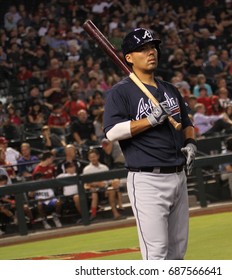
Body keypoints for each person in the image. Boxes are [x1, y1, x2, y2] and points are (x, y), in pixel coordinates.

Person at [103, 28, 197, 260]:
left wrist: (191, 142)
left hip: (178, 175)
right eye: (142, 49)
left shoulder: (169, 89)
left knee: (177, 253)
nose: (150, 52)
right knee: (156, 254)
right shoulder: (121, 92)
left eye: (152, 47)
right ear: (129, 58)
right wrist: (150, 120)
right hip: (147, 180)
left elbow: (186, 122)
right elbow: (112, 132)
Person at [82, 149, 124, 221]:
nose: (93, 159)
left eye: (94, 156)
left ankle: (115, 213)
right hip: (94, 190)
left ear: (98, 156)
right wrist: (97, 184)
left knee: (112, 190)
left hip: (105, 188)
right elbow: (87, 183)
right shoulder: (87, 169)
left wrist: (112, 182)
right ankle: (93, 215)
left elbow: (109, 181)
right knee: (94, 194)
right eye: (91, 157)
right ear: (89, 158)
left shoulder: (104, 167)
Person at [31, 151, 62, 229]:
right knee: (39, 204)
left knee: (58, 202)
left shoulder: (50, 167)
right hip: (41, 193)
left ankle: (55, 216)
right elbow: (35, 185)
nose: (52, 161)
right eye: (51, 159)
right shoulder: (38, 169)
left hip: (50, 191)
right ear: (48, 159)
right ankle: (44, 220)